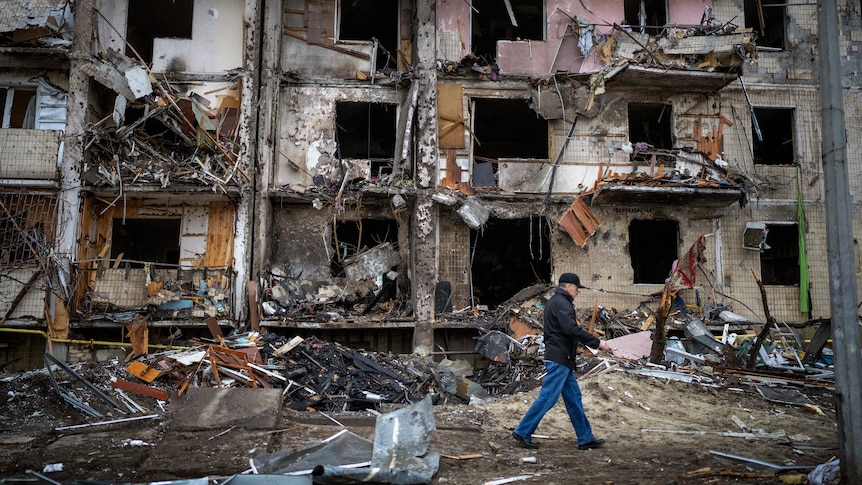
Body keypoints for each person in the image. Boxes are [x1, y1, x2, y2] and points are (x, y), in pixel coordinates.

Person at [512, 273, 612, 450]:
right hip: (559, 358)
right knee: (548, 398)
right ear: (568, 287)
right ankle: (522, 431)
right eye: (577, 288)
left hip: (562, 358)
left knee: (574, 398)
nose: (578, 292)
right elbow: (570, 329)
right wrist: (598, 342)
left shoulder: (555, 302)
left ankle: (585, 438)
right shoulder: (562, 303)